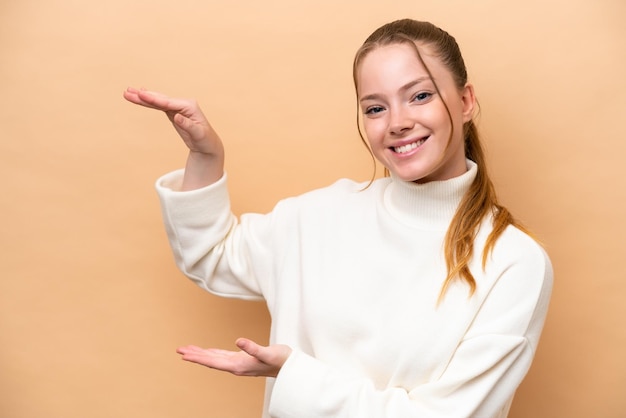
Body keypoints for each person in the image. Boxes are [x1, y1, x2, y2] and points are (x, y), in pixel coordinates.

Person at [124, 18, 552, 418]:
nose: (398, 123)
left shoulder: (513, 262)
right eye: (375, 108)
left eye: (419, 96)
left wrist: (296, 375)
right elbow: (211, 256)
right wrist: (206, 156)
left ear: (465, 101)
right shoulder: (318, 216)